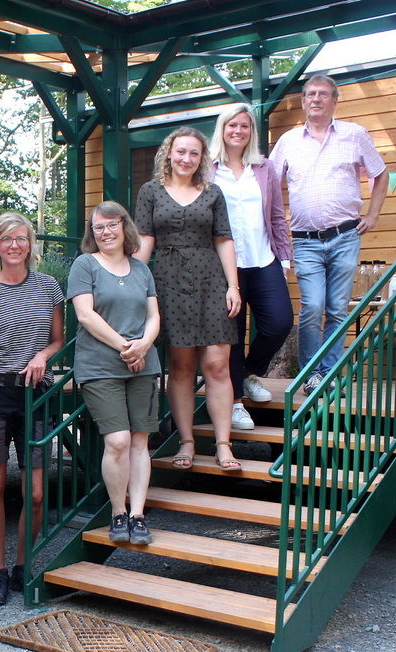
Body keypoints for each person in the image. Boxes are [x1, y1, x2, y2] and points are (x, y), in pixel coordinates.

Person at [0, 212, 64, 605]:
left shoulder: (48, 287)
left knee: (36, 493)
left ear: (30, 243)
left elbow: (58, 339)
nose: (14, 245)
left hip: (36, 395)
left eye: (21, 238)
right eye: (6, 239)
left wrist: (42, 355)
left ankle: (24, 564)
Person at [270, 72, 386, 394]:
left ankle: (329, 373)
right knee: (312, 307)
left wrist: (373, 214)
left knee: (337, 308)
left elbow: (380, 173)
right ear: (303, 101)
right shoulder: (288, 141)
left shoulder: (354, 134)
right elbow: (268, 183)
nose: (316, 99)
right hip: (305, 239)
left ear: (335, 100)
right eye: (310, 94)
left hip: (345, 235)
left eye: (323, 94)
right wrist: (273, 227)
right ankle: (311, 373)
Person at [134, 126, 243, 472]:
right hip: (168, 281)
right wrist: (129, 283)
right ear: (169, 152)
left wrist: (233, 286)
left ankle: (224, 444)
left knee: (217, 365)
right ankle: (186, 441)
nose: (186, 158)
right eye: (181, 151)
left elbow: (224, 239)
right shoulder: (150, 191)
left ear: (202, 158)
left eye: (194, 153)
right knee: (181, 367)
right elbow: (145, 240)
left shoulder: (213, 192)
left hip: (211, 280)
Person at [68, 201, 161, 545]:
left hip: (143, 364)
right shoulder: (85, 265)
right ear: (92, 233)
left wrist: (144, 345)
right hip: (100, 366)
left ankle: (137, 515)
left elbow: (154, 316)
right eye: (98, 227)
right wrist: (127, 347)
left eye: (111, 225)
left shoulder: (141, 269)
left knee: (139, 441)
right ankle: (117, 512)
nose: (105, 232)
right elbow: (85, 315)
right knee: (118, 440)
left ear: (124, 227)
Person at [209, 103, 294, 430]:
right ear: (222, 129)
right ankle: (234, 403)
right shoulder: (208, 169)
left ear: (251, 131)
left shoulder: (264, 167)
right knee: (231, 334)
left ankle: (248, 372)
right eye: (232, 125)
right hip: (222, 265)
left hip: (263, 258)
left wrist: (284, 258)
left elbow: (276, 215)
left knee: (279, 323)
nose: (238, 131)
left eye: (244, 126)